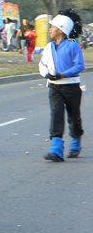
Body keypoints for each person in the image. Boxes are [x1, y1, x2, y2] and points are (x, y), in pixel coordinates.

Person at [39, 10, 85, 162]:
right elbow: (42, 64)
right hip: (54, 86)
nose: (50, 29)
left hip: (71, 86)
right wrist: (47, 74)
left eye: (52, 27)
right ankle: (56, 148)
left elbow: (79, 66)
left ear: (60, 29)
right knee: (56, 115)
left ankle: (75, 141)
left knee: (73, 116)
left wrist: (62, 75)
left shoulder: (73, 46)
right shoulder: (48, 47)